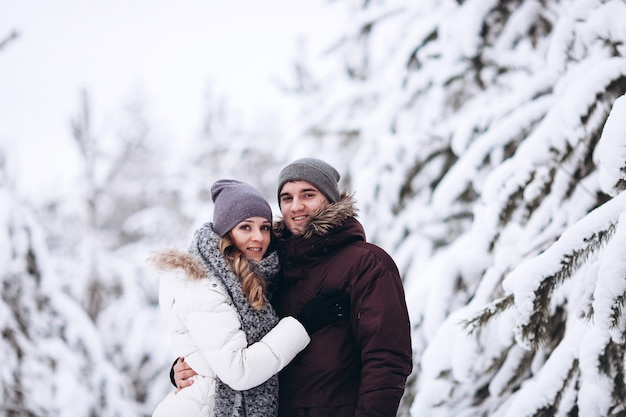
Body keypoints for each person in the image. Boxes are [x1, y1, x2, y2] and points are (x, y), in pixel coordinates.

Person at [174, 159, 413, 417]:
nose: (296, 206)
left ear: (330, 199)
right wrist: (188, 367)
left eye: (308, 195)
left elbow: (387, 360)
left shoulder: (366, 264)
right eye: (286, 198)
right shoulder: (269, 267)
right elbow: (227, 340)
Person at [152, 179, 348, 417]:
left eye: (265, 227)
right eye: (246, 227)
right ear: (226, 232)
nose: (259, 237)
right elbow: (238, 370)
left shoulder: (255, 280)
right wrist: (303, 324)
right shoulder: (205, 285)